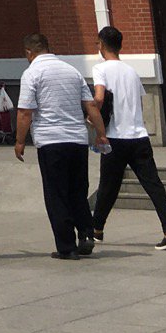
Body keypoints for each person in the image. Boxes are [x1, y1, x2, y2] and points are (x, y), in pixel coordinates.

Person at [14, 33, 106, 259]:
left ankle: (67, 246)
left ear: (29, 52)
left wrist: (19, 141)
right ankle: (86, 233)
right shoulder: (71, 71)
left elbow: (25, 112)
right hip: (77, 140)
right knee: (78, 190)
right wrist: (101, 133)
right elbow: (91, 106)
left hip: (51, 141)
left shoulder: (32, 73)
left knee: (57, 194)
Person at [89, 25, 166, 250]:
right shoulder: (131, 71)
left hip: (115, 137)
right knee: (153, 185)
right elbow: (138, 102)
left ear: (102, 44)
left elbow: (99, 97)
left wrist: (92, 117)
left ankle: (96, 230)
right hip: (139, 136)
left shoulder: (100, 69)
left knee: (108, 186)